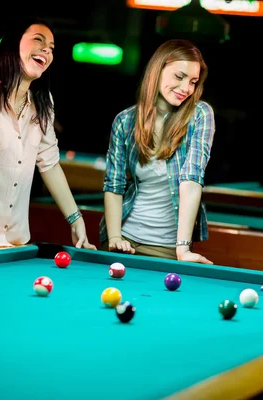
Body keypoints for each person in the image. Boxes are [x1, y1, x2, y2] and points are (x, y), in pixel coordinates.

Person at [0, 18, 96, 254]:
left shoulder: (42, 104)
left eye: (51, 48)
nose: (46, 50)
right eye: (38, 40)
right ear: (13, 45)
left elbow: (50, 164)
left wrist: (76, 220)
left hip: (11, 236)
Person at [100, 39, 215, 264]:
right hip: (123, 240)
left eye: (193, 82)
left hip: (168, 248)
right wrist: (114, 238)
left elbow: (191, 181)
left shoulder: (200, 115)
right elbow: (114, 185)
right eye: (179, 77)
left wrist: (182, 249)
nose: (186, 88)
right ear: (157, 70)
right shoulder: (125, 121)